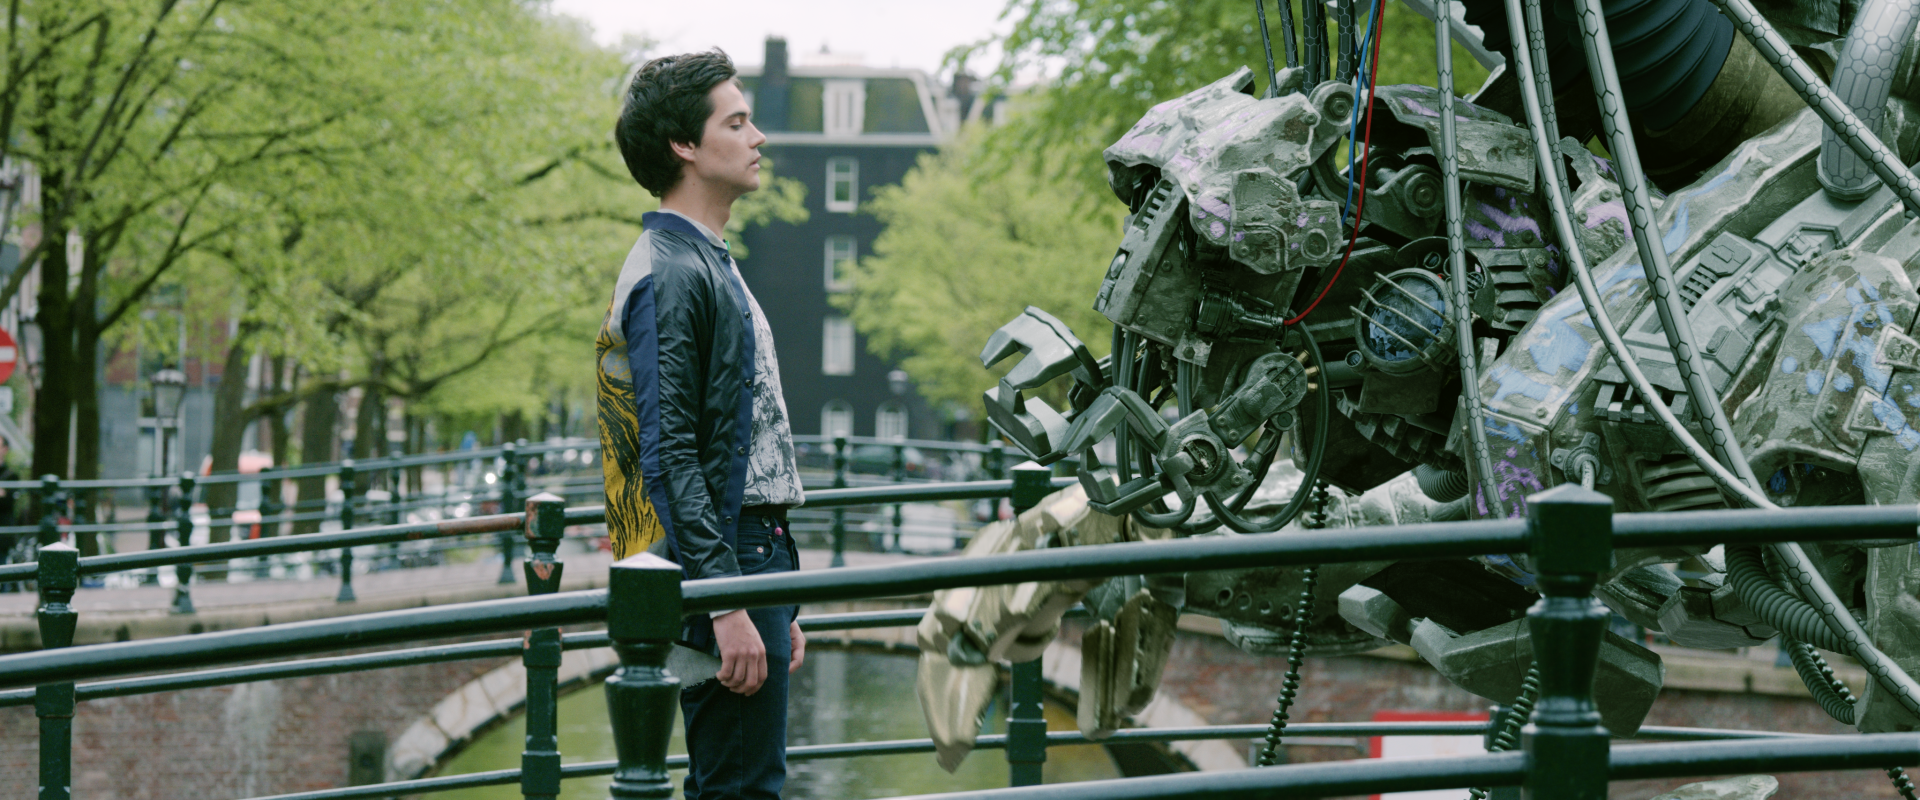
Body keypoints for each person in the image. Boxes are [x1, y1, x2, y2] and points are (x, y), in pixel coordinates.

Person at [601, 48, 808, 800]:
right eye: (737, 122)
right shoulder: (672, 273)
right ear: (684, 145)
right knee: (741, 787)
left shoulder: (701, 258)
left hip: (749, 552)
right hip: (730, 556)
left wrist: (778, 596)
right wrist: (725, 599)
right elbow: (671, 454)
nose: (759, 137)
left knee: (739, 778)